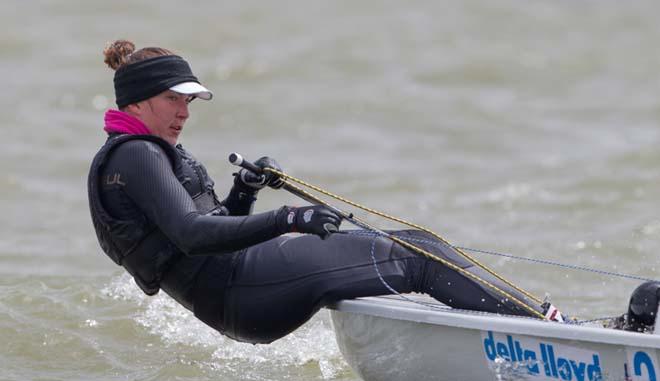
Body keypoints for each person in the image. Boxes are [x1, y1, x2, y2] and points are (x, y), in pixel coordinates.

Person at [88, 40, 554, 345]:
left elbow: (211, 228)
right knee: (418, 258)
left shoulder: (141, 153)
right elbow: (191, 234)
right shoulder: (136, 157)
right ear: (138, 100)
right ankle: (550, 336)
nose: (184, 112)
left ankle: (533, 321)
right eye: (173, 98)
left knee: (420, 242)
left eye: (188, 101)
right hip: (242, 291)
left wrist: (244, 192)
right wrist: (287, 217)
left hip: (243, 284)